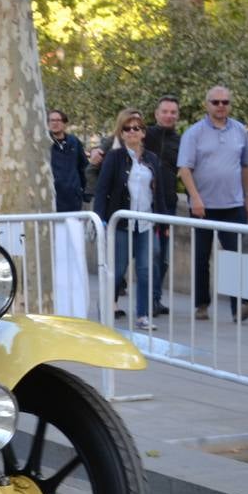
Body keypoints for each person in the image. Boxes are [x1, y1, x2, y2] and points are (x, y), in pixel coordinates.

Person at [177, 85, 248, 322]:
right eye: (216, 102)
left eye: (225, 102)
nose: (221, 106)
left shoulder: (239, 131)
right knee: (202, 257)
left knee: (235, 255)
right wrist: (195, 198)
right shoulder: (194, 133)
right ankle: (202, 305)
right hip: (204, 205)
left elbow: (245, 165)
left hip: (233, 204)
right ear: (207, 105)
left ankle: (240, 307)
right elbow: (184, 168)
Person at [94, 110, 162, 330]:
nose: (132, 132)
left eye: (137, 128)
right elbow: (102, 189)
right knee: (118, 267)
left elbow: (157, 192)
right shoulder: (114, 157)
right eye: (127, 128)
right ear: (121, 134)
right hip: (121, 223)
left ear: (143, 133)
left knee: (145, 269)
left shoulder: (151, 159)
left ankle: (142, 314)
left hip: (146, 223)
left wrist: (163, 221)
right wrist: (101, 219)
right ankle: (106, 306)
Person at [48, 109, 90, 318]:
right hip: (52, 204)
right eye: (51, 121)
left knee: (72, 246)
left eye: (58, 120)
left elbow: (84, 168)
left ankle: (72, 283)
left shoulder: (74, 143)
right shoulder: (43, 144)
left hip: (72, 201)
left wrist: (84, 192)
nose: (55, 124)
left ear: (64, 123)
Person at [144, 95, 182, 315]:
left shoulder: (182, 141)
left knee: (162, 255)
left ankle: (155, 298)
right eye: (165, 111)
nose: (169, 116)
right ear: (157, 114)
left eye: (173, 112)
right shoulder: (143, 134)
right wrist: (98, 151)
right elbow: (116, 139)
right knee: (151, 253)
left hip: (168, 205)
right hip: (144, 205)